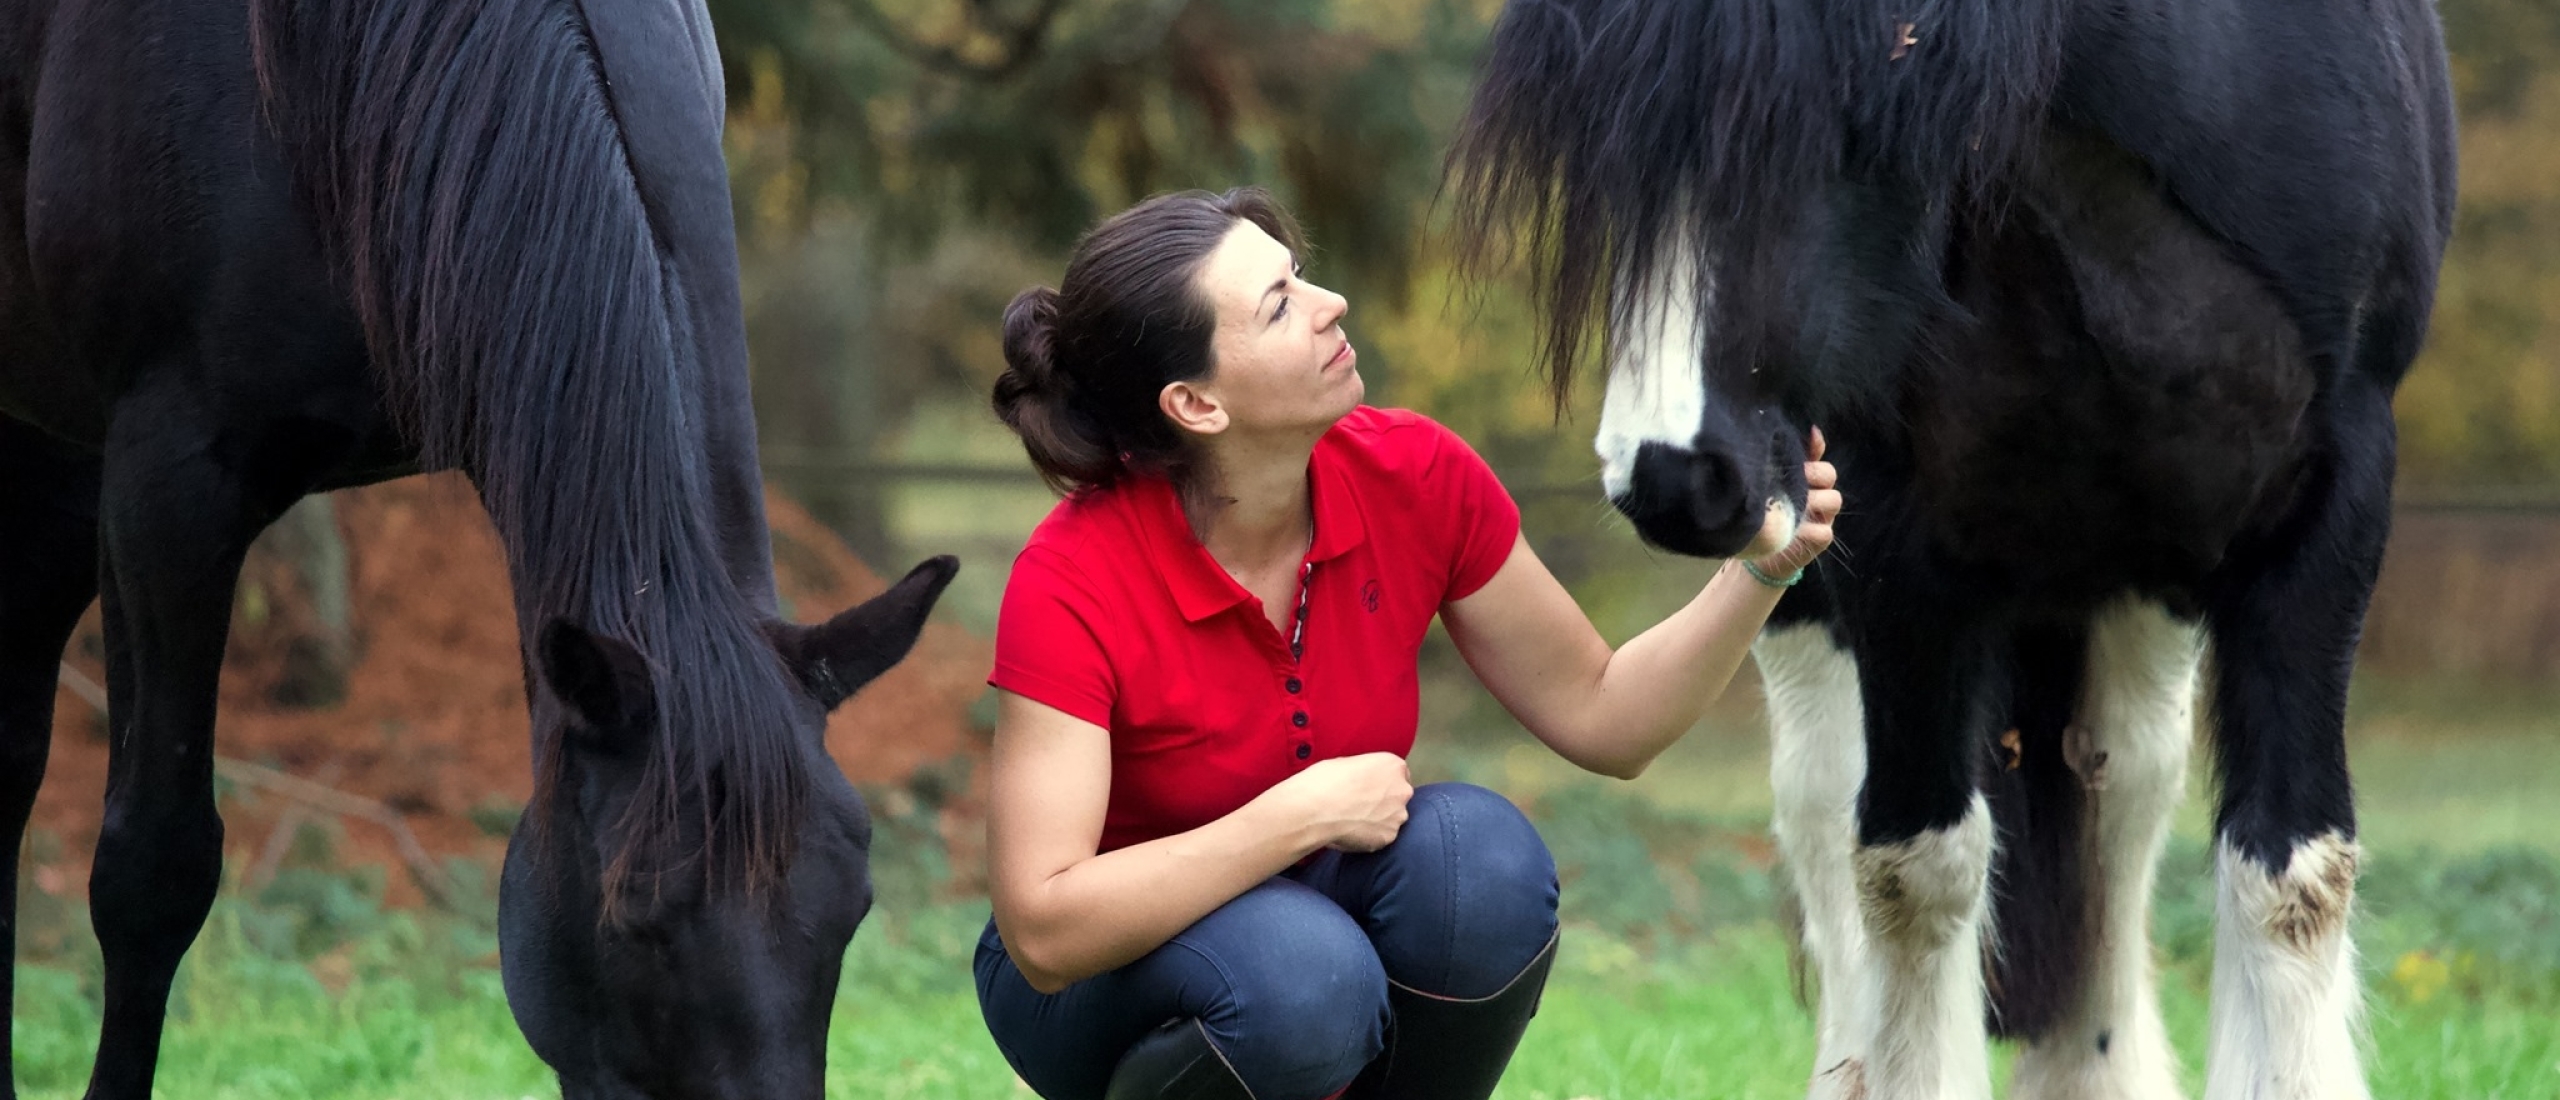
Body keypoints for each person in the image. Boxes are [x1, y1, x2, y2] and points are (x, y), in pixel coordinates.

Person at [976, 186, 1839, 1100]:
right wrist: (1294, 818)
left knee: (1481, 868)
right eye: (1279, 305)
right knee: (1306, 977)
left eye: (1298, 277)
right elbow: (1045, 929)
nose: (1328, 304)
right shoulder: (1074, 577)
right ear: (1196, 404)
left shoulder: (1414, 475)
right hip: (1105, 982)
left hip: (1319, 927)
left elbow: (1606, 715)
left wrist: (1762, 570)